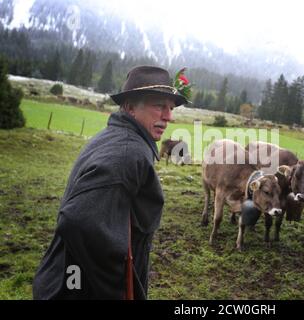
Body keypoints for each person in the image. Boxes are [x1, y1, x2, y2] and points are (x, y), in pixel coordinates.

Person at [33, 66, 188, 299]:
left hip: (63, 278)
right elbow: (77, 221)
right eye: (159, 106)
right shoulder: (128, 153)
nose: (168, 116)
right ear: (130, 107)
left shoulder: (118, 136)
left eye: (171, 108)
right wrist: (114, 288)